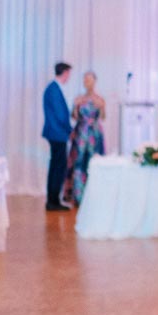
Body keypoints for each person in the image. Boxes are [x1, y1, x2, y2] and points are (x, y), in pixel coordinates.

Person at [63, 70, 106, 206]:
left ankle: (94, 195)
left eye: (89, 79)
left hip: (94, 134)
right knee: (78, 162)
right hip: (81, 133)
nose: (87, 82)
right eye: (85, 79)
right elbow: (74, 117)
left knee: (93, 162)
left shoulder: (100, 99)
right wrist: (75, 108)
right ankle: (78, 195)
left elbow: (103, 117)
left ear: (94, 81)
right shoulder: (79, 99)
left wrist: (102, 107)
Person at [42, 62, 72, 212]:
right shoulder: (54, 89)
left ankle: (53, 199)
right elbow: (60, 115)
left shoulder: (52, 88)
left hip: (56, 133)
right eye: (69, 74)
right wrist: (69, 130)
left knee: (56, 166)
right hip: (57, 133)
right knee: (58, 167)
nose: (69, 77)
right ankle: (53, 200)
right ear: (64, 72)